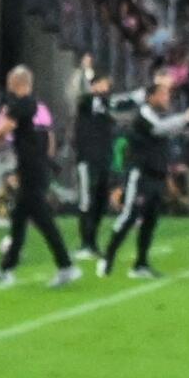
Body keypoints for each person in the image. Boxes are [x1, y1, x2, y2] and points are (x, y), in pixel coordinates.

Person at [0, 66, 79, 288]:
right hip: (34, 168)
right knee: (19, 219)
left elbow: (2, 130)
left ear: (16, 82)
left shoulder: (22, 104)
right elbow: (48, 136)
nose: (8, 86)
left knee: (43, 220)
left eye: (9, 81)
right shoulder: (37, 106)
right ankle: (6, 269)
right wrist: (47, 160)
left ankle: (66, 266)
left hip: (32, 170)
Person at [100, 78, 189, 277]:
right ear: (151, 96)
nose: (167, 98)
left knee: (150, 220)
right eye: (162, 94)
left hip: (156, 175)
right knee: (129, 217)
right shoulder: (144, 114)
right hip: (141, 175)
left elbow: (170, 128)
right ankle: (108, 257)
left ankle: (141, 264)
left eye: (167, 94)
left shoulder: (159, 116)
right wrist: (184, 118)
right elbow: (159, 128)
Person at [71, 66, 129, 257]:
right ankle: (85, 243)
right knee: (87, 200)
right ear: (95, 84)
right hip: (87, 160)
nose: (107, 87)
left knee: (100, 201)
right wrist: (86, 70)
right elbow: (85, 95)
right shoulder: (86, 102)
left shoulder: (106, 105)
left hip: (103, 159)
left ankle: (93, 242)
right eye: (104, 84)